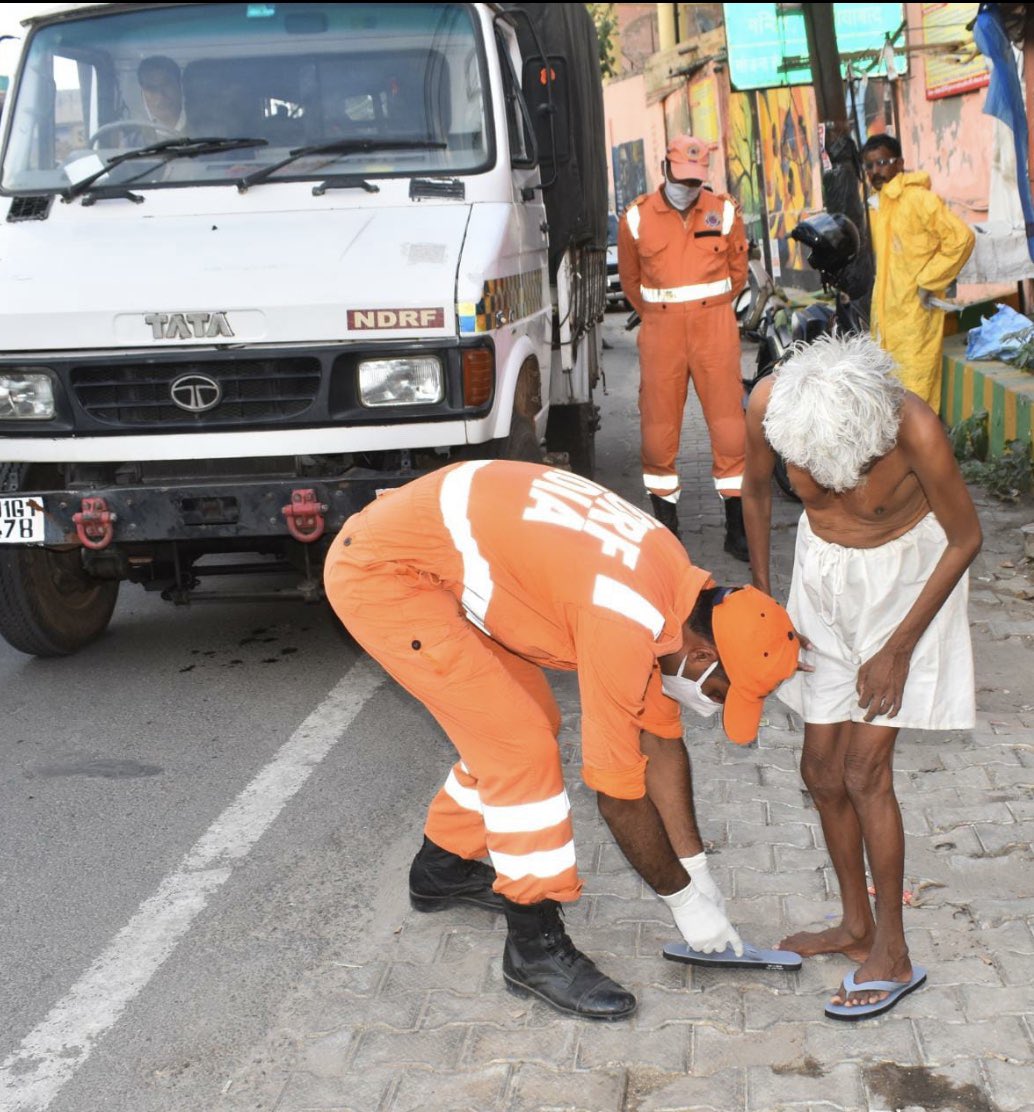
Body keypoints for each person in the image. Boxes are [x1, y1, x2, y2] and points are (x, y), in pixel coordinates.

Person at [325, 460, 801, 1020]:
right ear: (701, 655)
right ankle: (533, 949)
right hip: (389, 571)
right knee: (520, 749)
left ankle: (442, 868)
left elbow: (659, 743)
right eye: (724, 691)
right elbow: (619, 793)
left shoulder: (673, 589)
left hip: (443, 547)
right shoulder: (624, 617)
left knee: (527, 722)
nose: (718, 704)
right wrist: (684, 904)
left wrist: (697, 871)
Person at [742, 333, 982, 1020]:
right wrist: (765, 600)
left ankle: (895, 953)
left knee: (863, 772)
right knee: (820, 771)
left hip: (907, 587)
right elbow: (754, 492)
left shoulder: (913, 429)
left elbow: (966, 537)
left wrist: (899, 648)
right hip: (821, 580)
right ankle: (856, 928)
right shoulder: (773, 403)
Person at [617, 134, 750, 561]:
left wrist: (704, 309)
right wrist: (662, 313)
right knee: (658, 432)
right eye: (681, 177)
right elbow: (631, 283)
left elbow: (738, 274)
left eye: (696, 180)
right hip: (661, 332)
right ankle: (666, 526)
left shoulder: (724, 211)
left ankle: (738, 528)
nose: (688, 187)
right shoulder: (636, 219)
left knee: (730, 427)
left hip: (715, 327)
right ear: (665, 168)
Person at [862, 133, 975, 412]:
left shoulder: (919, 200)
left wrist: (929, 280)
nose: (876, 171)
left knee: (916, 400)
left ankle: (923, 455)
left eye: (883, 162)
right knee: (892, 402)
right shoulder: (879, 207)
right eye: (870, 166)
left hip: (915, 320)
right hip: (887, 322)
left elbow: (961, 239)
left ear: (899, 163)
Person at [137, 55, 186, 132]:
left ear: (179, 86)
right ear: (142, 94)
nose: (160, 96)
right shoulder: (133, 140)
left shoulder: (202, 128)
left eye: (166, 85)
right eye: (152, 89)